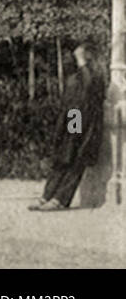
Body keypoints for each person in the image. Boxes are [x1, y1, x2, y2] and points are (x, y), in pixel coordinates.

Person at [30, 44, 106, 211]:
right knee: (62, 157)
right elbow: (69, 103)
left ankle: (60, 199)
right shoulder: (74, 77)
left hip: (84, 121)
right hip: (73, 117)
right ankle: (47, 196)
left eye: (79, 55)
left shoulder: (95, 75)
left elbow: (88, 90)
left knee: (75, 160)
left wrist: (81, 62)